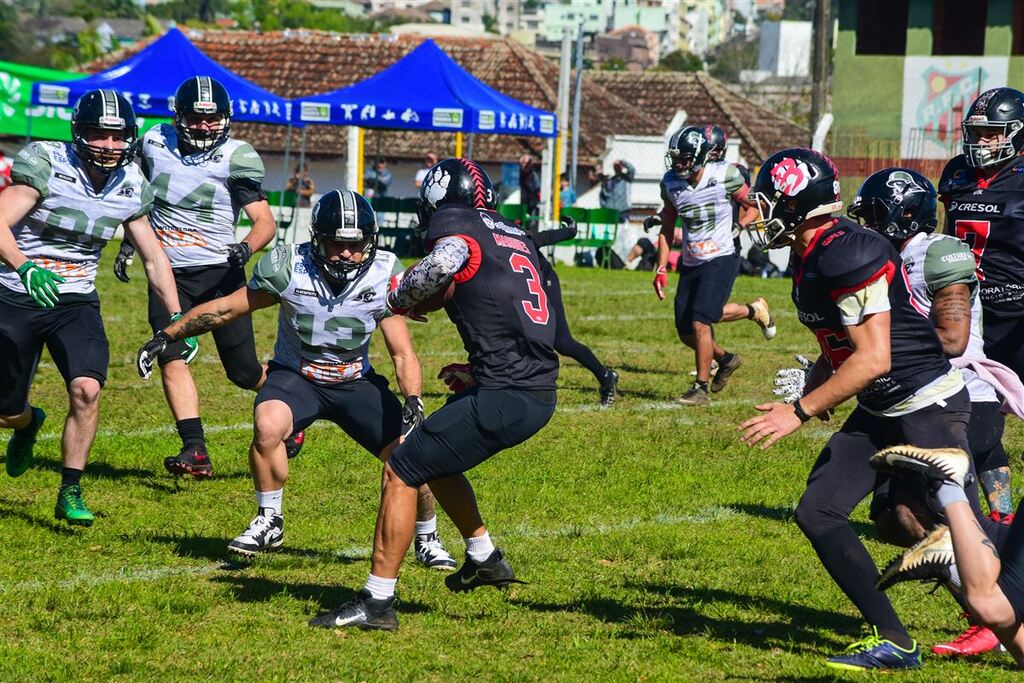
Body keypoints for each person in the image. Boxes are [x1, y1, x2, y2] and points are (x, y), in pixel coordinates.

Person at [739, 147, 1008, 671]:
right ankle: (895, 640)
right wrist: (817, 382)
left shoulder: (847, 251)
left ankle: (1004, 616)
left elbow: (874, 357)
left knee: (971, 536)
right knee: (819, 511)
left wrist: (799, 411)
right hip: (881, 405)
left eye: (768, 201)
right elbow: (838, 338)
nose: (759, 212)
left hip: (926, 403)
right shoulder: (810, 250)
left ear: (797, 204)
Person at [135, 189, 455, 567]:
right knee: (267, 424)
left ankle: (427, 536)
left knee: (411, 453)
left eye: (355, 245)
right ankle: (269, 519)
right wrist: (167, 335)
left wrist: (414, 398)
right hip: (298, 376)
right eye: (336, 244)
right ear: (317, 239)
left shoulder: (383, 272)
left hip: (354, 380)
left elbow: (402, 351)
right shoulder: (290, 266)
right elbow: (224, 310)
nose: (346, 254)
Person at [307, 158, 558, 631]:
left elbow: (441, 264)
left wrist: (397, 299)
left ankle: (377, 602)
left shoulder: (456, 225)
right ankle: (484, 556)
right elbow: (533, 316)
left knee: (402, 468)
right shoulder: (513, 233)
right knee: (435, 457)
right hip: (534, 387)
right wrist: (483, 368)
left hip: (508, 393)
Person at [0, 89, 182, 525]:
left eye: (118, 136)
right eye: (99, 134)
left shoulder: (132, 182)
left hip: (75, 299)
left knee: (87, 388)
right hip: (16, 292)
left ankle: (71, 487)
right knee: (6, 411)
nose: (109, 145)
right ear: (78, 133)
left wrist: (179, 318)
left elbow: (154, 257)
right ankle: (27, 423)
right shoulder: (48, 163)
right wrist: (25, 267)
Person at [117, 75, 286, 479]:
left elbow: (264, 222)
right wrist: (129, 244)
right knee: (169, 353)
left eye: (212, 118)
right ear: (178, 117)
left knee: (243, 372)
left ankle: (290, 408)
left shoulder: (235, 156)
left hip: (219, 273)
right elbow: (135, 198)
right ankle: (194, 448)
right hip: (167, 271)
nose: (205, 126)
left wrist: (246, 248)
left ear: (225, 119)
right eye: (196, 118)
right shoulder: (154, 141)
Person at [650, 125, 775, 406]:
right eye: (675, 158)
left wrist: (740, 226)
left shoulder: (725, 174)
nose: (677, 164)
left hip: (721, 256)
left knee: (701, 320)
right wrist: (661, 266)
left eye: (683, 158)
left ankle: (700, 388)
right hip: (691, 259)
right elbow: (667, 227)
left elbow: (754, 205)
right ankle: (726, 359)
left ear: (698, 157)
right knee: (686, 331)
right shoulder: (670, 183)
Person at [939, 88, 1024, 381]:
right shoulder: (957, 171)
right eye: (976, 133)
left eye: (991, 133)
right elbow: (947, 235)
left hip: (1015, 309)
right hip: (965, 304)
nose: (981, 141)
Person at [518, 153, 541, 222]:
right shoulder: (516, 174)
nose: (526, 165)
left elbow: (537, 189)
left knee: (530, 223)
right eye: (524, 163)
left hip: (530, 205)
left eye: (528, 163)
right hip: (518, 204)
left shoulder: (534, 176)